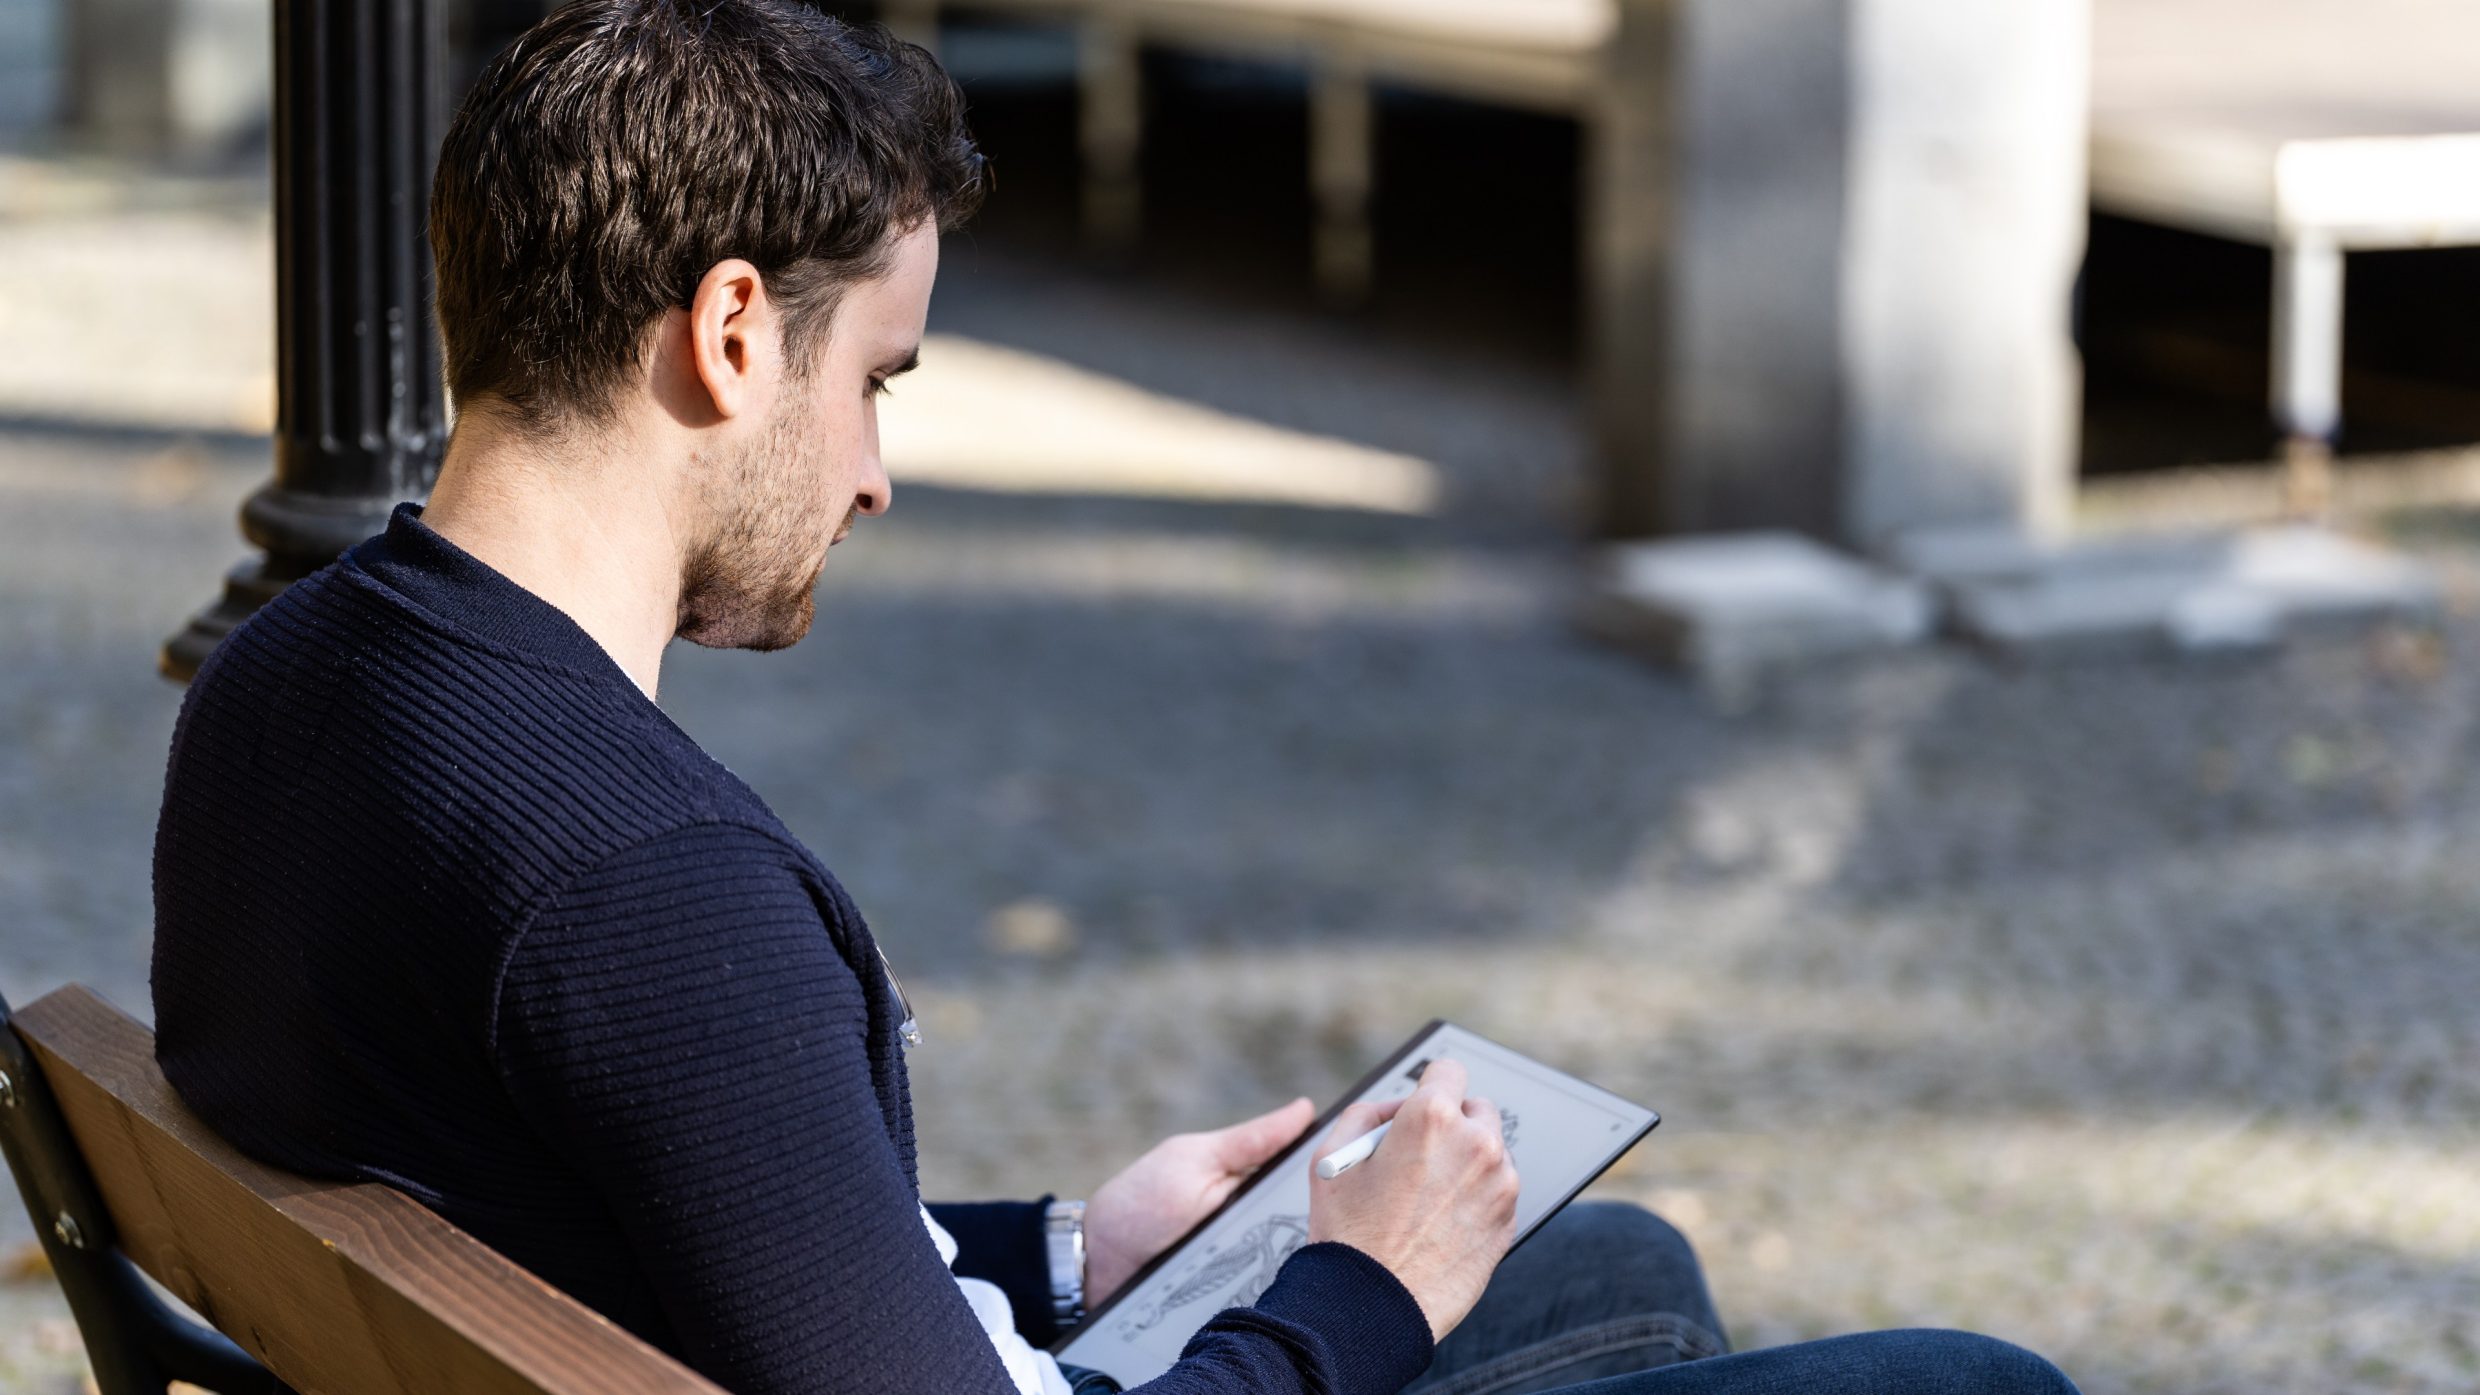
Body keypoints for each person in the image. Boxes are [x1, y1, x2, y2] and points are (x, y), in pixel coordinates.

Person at [146, 5, 2079, 1395]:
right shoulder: (651, 896)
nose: (876, 472)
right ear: (733, 335)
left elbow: (669, 1224)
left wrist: (1080, 1247)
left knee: (1619, 1263)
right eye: (877, 378)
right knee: (1974, 1380)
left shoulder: (282, 683)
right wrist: (1356, 1300)